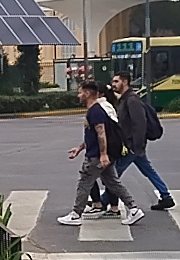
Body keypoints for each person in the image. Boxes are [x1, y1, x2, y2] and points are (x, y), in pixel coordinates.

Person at [57, 81, 145, 228]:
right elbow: (92, 135)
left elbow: (101, 133)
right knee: (113, 183)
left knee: (84, 183)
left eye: (80, 92)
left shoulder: (96, 111)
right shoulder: (95, 110)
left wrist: (103, 154)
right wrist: (80, 148)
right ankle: (134, 209)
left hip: (96, 156)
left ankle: (76, 214)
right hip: (101, 155)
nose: (78, 96)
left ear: (87, 93)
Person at [101, 72, 175, 212]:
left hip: (132, 146)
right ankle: (166, 196)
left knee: (113, 175)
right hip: (133, 145)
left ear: (125, 82)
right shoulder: (125, 99)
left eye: (116, 81)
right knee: (148, 171)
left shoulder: (132, 100)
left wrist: (136, 146)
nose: (113, 84)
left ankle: (103, 201)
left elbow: (140, 124)